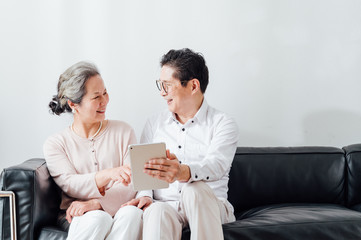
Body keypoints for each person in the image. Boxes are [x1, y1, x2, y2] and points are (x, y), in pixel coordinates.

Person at [123, 48, 239, 240]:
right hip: (167, 206)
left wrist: (182, 171)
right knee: (157, 210)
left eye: (167, 85)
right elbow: (144, 171)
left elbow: (217, 165)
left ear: (193, 86)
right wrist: (145, 194)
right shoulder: (154, 123)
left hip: (210, 205)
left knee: (194, 189)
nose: (162, 93)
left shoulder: (223, 123)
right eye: (160, 85)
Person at [43, 61, 147, 240]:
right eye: (96, 97)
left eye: (105, 93)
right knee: (98, 218)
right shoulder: (55, 143)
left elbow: (131, 184)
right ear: (74, 104)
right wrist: (108, 175)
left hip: (119, 207)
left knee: (132, 214)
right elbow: (71, 184)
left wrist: (97, 203)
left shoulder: (124, 131)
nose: (104, 101)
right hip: (78, 215)